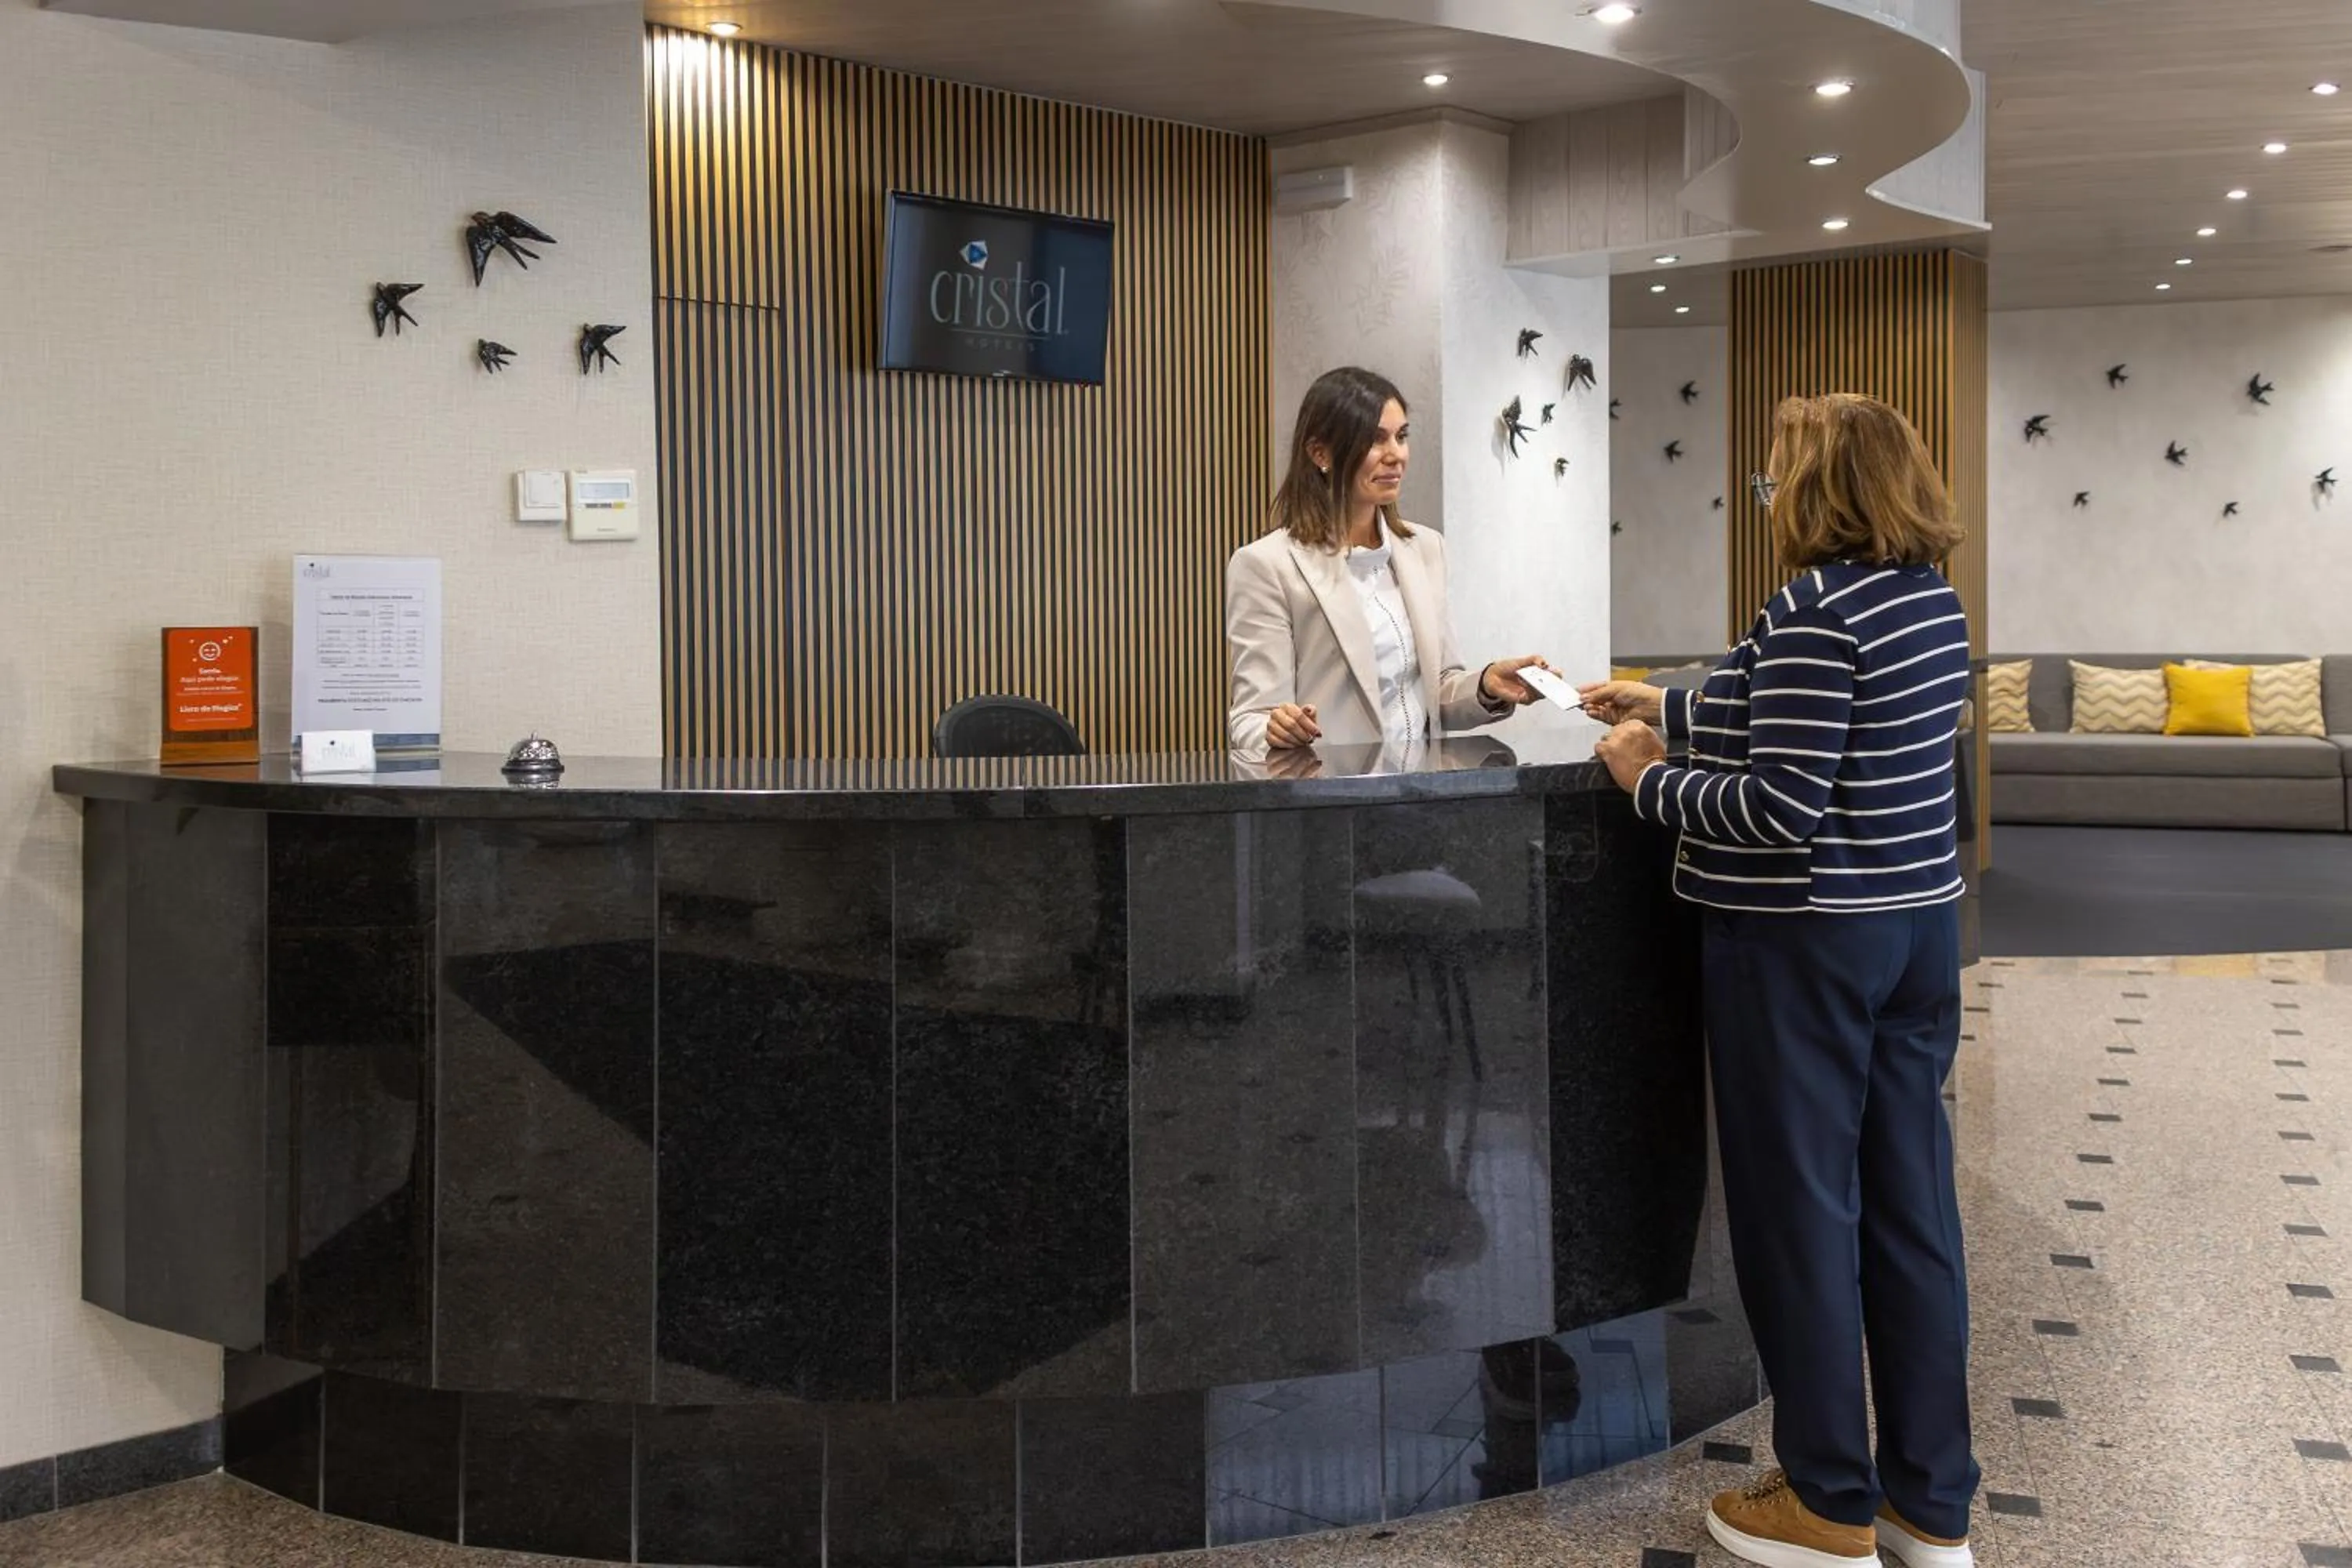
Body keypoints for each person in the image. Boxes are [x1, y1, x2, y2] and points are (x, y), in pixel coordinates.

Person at [1580, 393, 1980, 1568]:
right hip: (1915, 937)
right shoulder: (1929, 603)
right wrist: (1667, 701)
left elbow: (1779, 803)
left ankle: (1825, 1502)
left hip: (1803, 948)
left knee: (1800, 1217)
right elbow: (1818, 720)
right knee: (1913, 1215)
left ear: (1817, 491)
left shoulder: (1811, 605)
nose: (1767, 500)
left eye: (1772, 480)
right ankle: (1927, 1505)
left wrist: (1645, 778)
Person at [1227, 365, 1552, 751]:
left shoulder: (1427, 548)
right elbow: (1250, 719)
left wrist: (1485, 686)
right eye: (1375, 440)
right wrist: (1276, 729)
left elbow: (1437, 688)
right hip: (1328, 800)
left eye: (1401, 437)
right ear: (1320, 453)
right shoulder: (1266, 565)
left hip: (1419, 798)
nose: (1395, 455)